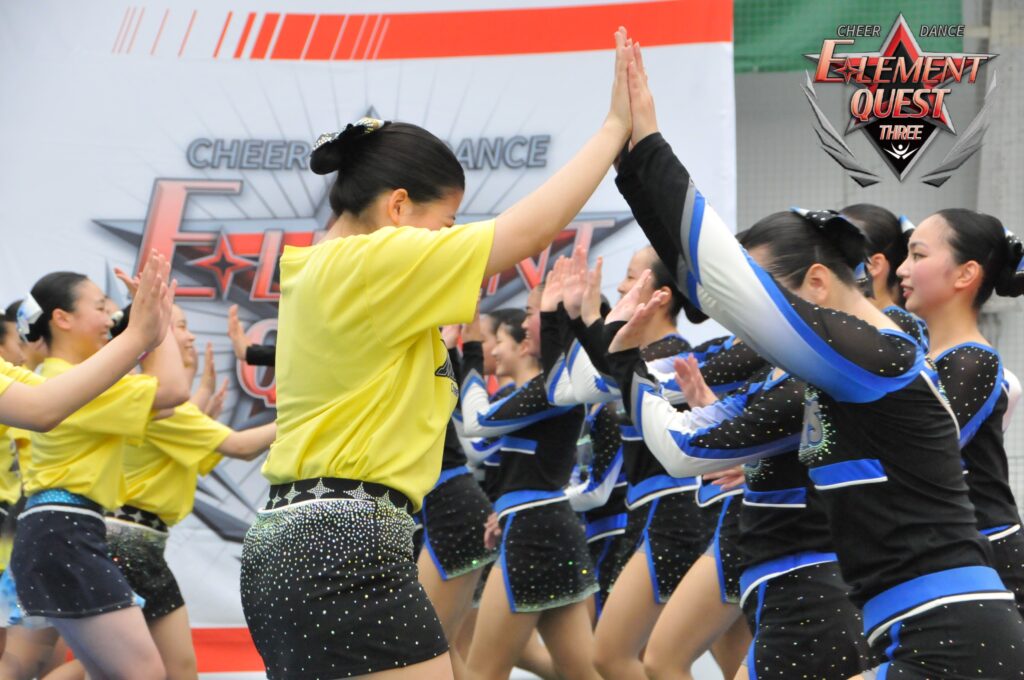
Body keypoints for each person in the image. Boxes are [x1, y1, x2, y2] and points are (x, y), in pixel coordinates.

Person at [611, 41, 1024, 679]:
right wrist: (632, 164)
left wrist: (651, 151)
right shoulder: (847, 368)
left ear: (819, 282)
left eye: (768, 298)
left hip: (950, 633)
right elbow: (689, 433)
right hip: (913, 630)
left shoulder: (883, 355)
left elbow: (724, 291)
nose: (755, 322)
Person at [239, 27, 635, 679]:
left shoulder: (320, 271)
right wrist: (614, 130)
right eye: (446, 225)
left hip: (293, 541)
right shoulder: (376, 259)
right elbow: (526, 232)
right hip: (344, 542)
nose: (449, 241)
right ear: (398, 207)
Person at [9, 261, 189, 679]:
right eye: (101, 306)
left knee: (99, 672)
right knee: (143, 674)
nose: (112, 317)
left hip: (60, 530)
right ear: (62, 318)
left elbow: (167, 404)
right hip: (65, 531)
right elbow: (174, 390)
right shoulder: (72, 382)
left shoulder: (60, 379)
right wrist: (152, 321)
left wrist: (147, 324)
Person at [460, 278, 598, 680]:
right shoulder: (547, 388)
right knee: (578, 672)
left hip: (534, 532)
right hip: (542, 526)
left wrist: (469, 344)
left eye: (531, 313)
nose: (523, 324)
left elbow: (477, 424)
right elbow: (481, 444)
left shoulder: (553, 390)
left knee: (481, 673)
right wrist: (504, 510)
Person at [896, 209, 1024, 615]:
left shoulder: (972, 361)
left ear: (966, 274)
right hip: (944, 556)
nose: (902, 269)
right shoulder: (920, 356)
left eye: (918, 255)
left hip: (986, 561)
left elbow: (915, 454)